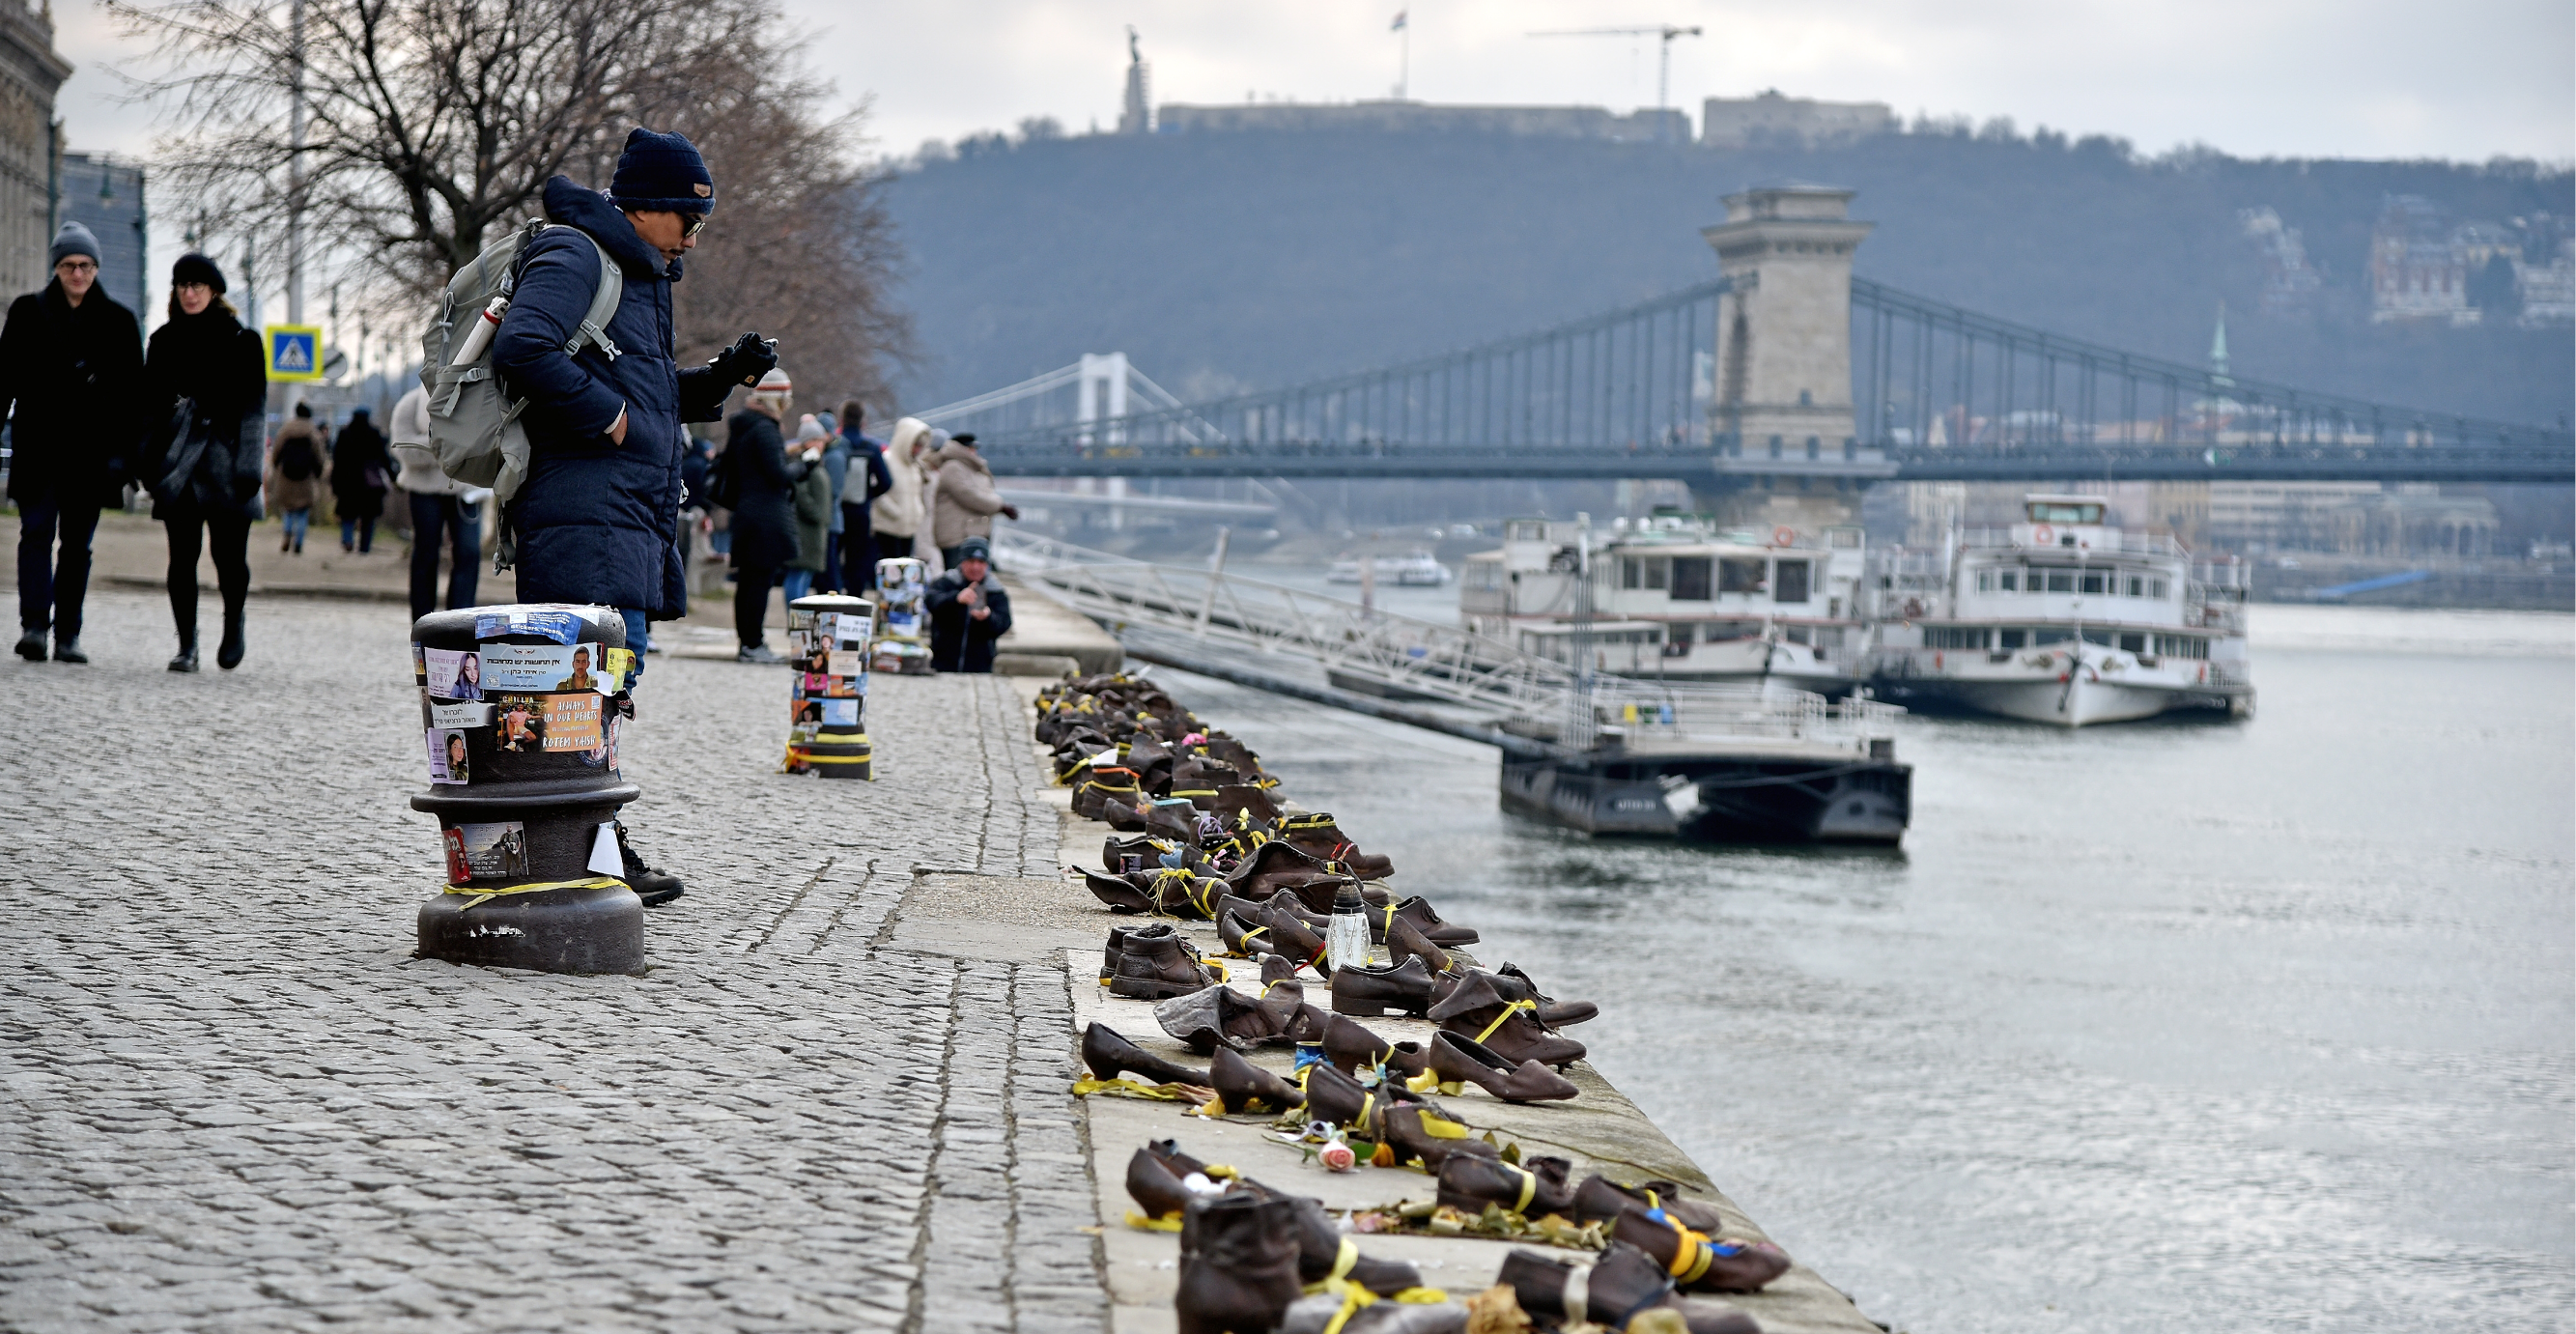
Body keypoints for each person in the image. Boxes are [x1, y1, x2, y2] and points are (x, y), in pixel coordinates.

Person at [490, 127, 777, 905]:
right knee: (587, 690)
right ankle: (582, 852)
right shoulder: (578, 255)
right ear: (646, 209)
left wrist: (725, 375)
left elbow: (654, 397)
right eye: (690, 219)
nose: (694, 235)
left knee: (600, 691)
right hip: (583, 514)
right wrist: (608, 417)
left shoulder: (638, 276)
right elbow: (524, 345)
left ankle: (594, 847)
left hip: (625, 520)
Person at [5, 221, 144, 664]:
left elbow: (132, 399)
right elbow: (3, 379)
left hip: (90, 457)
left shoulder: (120, 323)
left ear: (96, 267)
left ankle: (68, 632)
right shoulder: (27, 313)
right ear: (56, 267)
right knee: (36, 535)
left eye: (85, 265)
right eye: (68, 265)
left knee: (78, 546)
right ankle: (33, 626)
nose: (78, 273)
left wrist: (125, 459)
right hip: (38, 449)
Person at [141, 251, 266, 672]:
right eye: (183, 285)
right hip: (178, 467)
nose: (190, 293)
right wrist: (149, 463)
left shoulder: (242, 341)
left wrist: (250, 467)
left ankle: (234, 623)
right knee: (182, 556)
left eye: (198, 285)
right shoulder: (162, 341)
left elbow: (254, 410)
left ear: (214, 291)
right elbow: (150, 411)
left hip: (226, 465)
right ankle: (187, 645)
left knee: (229, 557)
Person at [719, 369, 807, 661]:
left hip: (745, 513)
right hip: (766, 517)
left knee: (746, 583)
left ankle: (746, 643)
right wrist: (804, 464)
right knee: (759, 583)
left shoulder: (741, 426)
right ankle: (754, 644)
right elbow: (778, 475)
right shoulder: (766, 429)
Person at [389, 381, 482, 622]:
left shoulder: (474, 400)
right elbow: (402, 447)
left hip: (466, 489)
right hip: (424, 489)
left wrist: (438, 444)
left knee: (469, 553)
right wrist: (448, 446)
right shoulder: (410, 404)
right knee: (426, 552)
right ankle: (423, 619)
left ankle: (461, 619)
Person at [930, 430, 1017, 568]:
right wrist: (1000, 506)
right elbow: (969, 496)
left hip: (968, 535)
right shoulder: (953, 467)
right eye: (971, 448)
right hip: (956, 537)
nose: (974, 452)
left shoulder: (969, 467)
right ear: (962, 448)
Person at [926, 535, 1012, 672]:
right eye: (971, 561)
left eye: (981, 562)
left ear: (987, 565)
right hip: (942, 663)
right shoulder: (947, 582)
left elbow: (1005, 622)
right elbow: (931, 601)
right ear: (962, 562)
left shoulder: (996, 590)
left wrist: (988, 617)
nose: (975, 567)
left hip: (980, 667)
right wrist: (955, 599)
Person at [837, 400, 892, 592]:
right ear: (863, 421)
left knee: (832, 562)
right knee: (857, 562)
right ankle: (854, 606)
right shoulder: (871, 447)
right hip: (860, 513)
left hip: (835, 511)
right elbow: (886, 481)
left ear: (841, 420)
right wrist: (869, 495)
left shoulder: (834, 445)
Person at [266, 404, 327, 555]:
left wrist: (276, 468)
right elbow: (319, 457)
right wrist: (318, 474)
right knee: (302, 512)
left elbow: (276, 453)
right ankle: (298, 542)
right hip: (306, 478)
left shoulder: (285, 430)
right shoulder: (313, 432)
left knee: (288, 509)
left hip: (286, 476)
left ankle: (287, 533)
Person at [873, 415, 932, 571]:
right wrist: (895, 511)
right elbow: (877, 492)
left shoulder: (915, 466)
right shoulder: (887, 461)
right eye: (915, 445)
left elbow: (917, 494)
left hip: (909, 528)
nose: (917, 450)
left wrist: (918, 512)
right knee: (890, 572)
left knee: (905, 572)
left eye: (920, 446)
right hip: (888, 528)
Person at [329, 407, 391, 553]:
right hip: (369, 484)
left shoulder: (344, 434)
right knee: (368, 518)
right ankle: (365, 546)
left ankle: (348, 540)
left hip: (348, 482)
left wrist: (335, 482)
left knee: (348, 515)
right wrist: (393, 475)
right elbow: (384, 458)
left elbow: (337, 460)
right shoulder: (374, 434)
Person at [784, 415, 832, 605]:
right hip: (804, 529)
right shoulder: (802, 465)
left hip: (815, 531)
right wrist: (816, 512)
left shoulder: (816, 463)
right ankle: (794, 615)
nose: (819, 444)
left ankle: (799, 618)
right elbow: (800, 492)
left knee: (805, 577)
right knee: (797, 575)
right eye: (815, 440)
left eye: (821, 440)